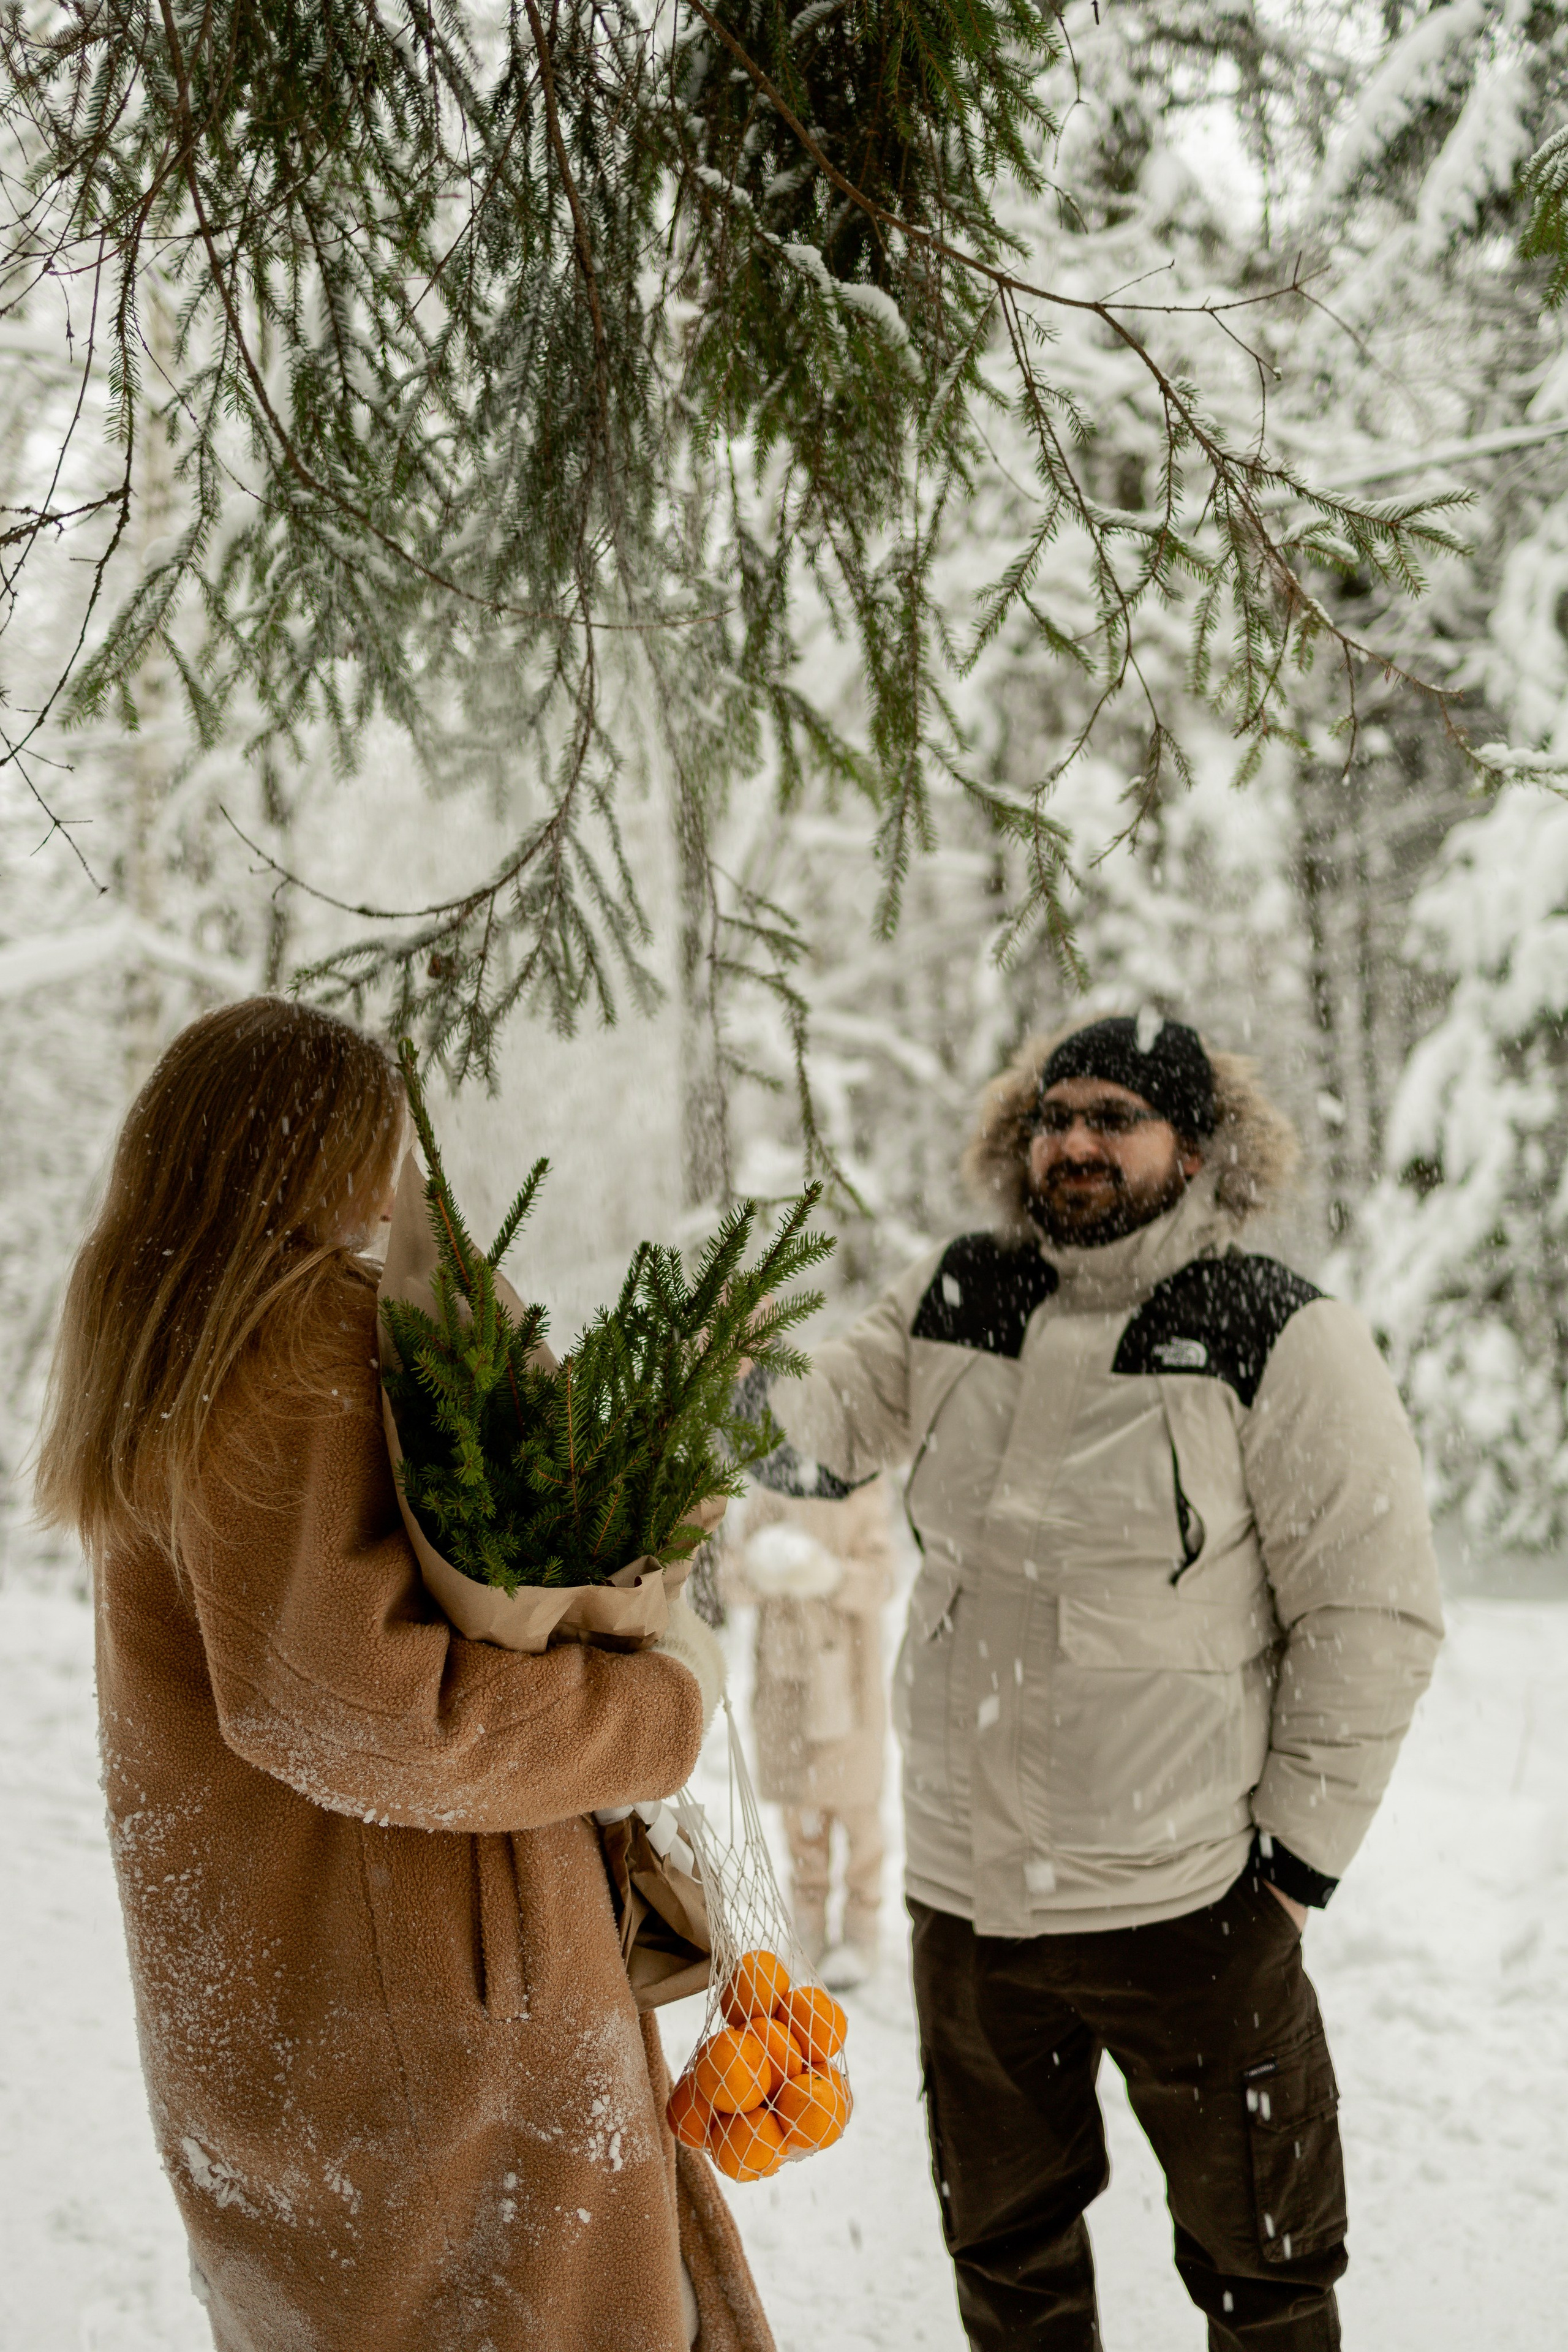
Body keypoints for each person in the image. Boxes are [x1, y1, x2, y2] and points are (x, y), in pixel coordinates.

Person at [34, 998, 770, 2352]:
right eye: (374, 1148)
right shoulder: (288, 1336)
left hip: (284, 2007)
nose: (391, 1191)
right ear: (311, 1154)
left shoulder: (162, 1325)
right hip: (427, 2032)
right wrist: (651, 1705)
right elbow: (364, 1716)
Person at [744, 1014, 1444, 2352]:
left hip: (1186, 1898)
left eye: (1114, 1116)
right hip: (969, 1902)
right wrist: (680, 1378)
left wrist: (1292, 1872)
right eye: (1053, 1115)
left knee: (1265, 2270)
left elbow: (1372, 1614)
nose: (1074, 1140)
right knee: (1007, 2262)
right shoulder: (960, 1292)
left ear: (1195, 1148)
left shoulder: (1277, 1330)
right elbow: (815, 1429)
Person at [722, 1479, 897, 1987]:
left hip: (850, 1689)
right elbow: (731, 1579)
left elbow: (882, 1581)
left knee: (859, 1816)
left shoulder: (864, 1490)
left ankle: (862, 1931)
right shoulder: (772, 1488)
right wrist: (764, 1566)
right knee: (802, 1818)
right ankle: (808, 1929)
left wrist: (831, 1574)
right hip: (788, 1685)